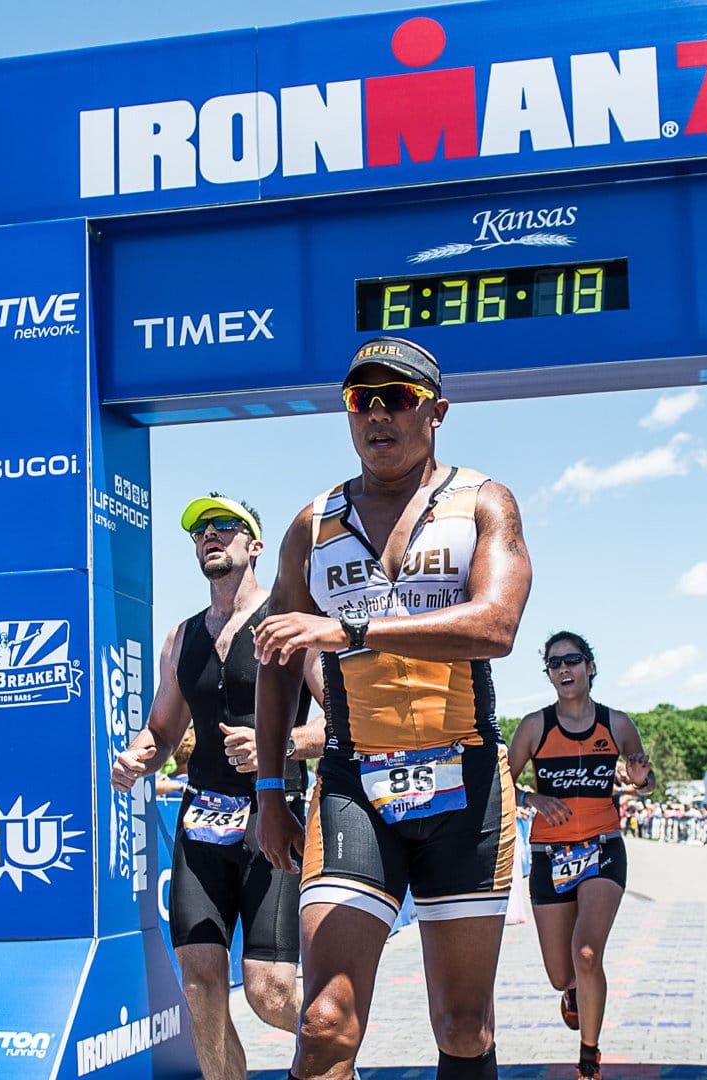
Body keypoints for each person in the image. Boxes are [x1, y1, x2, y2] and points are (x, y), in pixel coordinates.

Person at [250, 336, 533, 1080]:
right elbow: (276, 660)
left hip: (465, 783)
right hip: (353, 786)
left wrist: (347, 629)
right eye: (360, 399)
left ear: (435, 411)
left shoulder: (483, 501)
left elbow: (496, 626)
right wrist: (271, 790)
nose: (377, 413)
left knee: (463, 1027)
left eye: (397, 397)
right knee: (323, 1022)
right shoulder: (312, 523)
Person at [109, 494, 324, 1080]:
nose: (211, 536)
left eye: (225, 526)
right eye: (201, 530)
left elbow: (341, 724)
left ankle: (337, 1052)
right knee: (201, 985)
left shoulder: (287, 626)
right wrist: (136, 758)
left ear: (255, 546)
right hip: (202, 817)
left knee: (270, 992)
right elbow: (162, 730)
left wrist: (280, 747)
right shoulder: (181, 638)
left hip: (275, 817)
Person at [507, 631, 652, 1080]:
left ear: (590, 666)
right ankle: (572, 992)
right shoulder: (535, 726)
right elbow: (500, 783)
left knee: (587, 954)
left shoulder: (618, 723)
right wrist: (531, 799)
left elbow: (643, 781)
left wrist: (641, 779)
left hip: (603, 848)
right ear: (548, 674)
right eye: (554, 663)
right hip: (550, 854)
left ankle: (588, 1058)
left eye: (572, 660)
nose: (564, 669)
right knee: (560, 972)